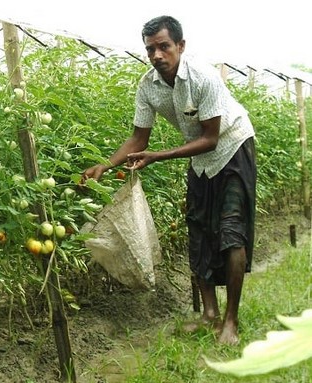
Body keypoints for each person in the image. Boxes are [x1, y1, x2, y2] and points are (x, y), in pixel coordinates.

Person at [82, 15, 256, 345]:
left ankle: (230, 321)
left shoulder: (203, 77)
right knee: (198, 229)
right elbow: (138, 139)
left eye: (164, 47)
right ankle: (209, 315)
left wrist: (158, 157)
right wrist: (103, 165)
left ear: (180, 46)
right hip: (201, 156)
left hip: (232, 147)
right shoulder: (148, 86)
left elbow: (211, 138)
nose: (157, 55)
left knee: (231, 232)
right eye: (150, 49)